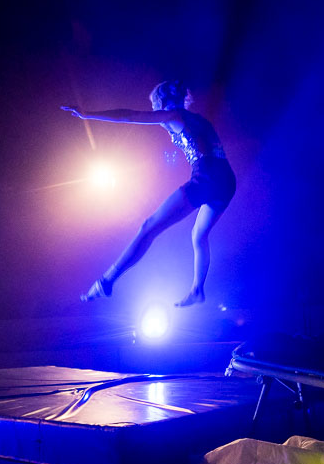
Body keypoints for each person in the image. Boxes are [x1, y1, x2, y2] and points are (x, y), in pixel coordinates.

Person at [62, 80, 236, 307]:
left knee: (148, 227)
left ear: (163, 102)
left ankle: (106, 281)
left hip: (207, 178)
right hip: (226, 180)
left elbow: (130, 116)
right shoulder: (196, 119)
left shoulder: (174, 116)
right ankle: (197, 290)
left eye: (154, 104)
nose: (152, 109)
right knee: (198, 235)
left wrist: (88, 115)